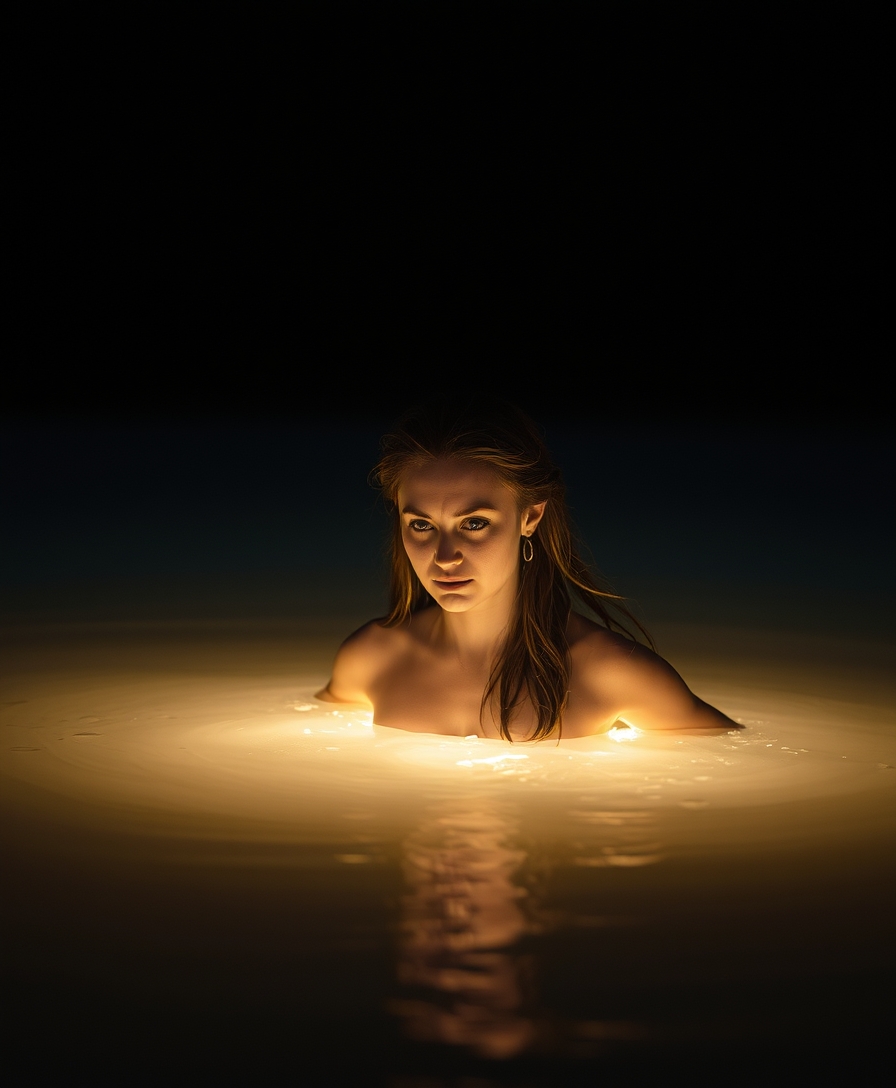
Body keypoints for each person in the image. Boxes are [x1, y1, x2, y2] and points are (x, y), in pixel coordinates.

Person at [315, 398, 740, 741]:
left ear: (530, 517)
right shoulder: (370, 658)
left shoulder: (612, 674)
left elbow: (731, 764)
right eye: (422, 525)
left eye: (475, 523)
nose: (444, 556)